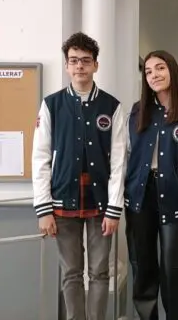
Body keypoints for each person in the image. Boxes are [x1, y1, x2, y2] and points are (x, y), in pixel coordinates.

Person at [32, 32, 126, 320]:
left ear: (96, 65)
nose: (79, 67)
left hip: (100, 204)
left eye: (86, 61)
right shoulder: (52, 105)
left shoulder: (112, 107)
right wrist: (43, 208)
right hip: (62, 200)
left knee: (99, 272)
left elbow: (120, 160)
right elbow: (40, 158)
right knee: (71, 273)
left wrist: (114, 209)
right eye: (73, 61)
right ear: (66, 65)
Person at [124, 50, 178, 320]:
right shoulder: (138, 111)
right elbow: (126, 156)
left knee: (173, 270)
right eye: (148, 71)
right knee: (143, 268)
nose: (154, 75)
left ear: (172, 70)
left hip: (175, 197)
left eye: (160, 68)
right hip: (140, 196)